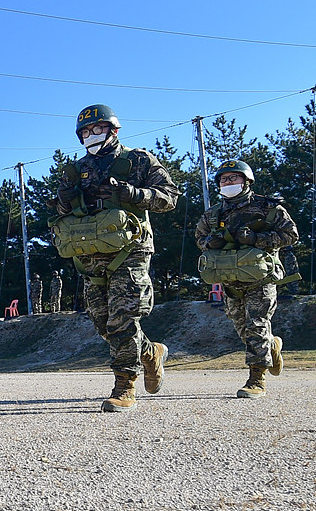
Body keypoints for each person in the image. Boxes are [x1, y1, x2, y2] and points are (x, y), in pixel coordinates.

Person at [54, 104, 178, 412]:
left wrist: (134, 194)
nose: (91, 136)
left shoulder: (138, 161)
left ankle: (125, 386)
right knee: (104, 324)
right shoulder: (76, 170)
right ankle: (150, 353)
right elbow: (58, 213)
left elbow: (169, 198)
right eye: (84, 132)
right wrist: (63, 202)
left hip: (131, 249)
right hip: (91, 253)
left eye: (97, 129)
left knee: (123, 318)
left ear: (113, 130)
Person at [195, 160, 298, 399]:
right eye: (224, 179)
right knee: (242, 328)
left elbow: (290, 234)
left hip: (260, 279)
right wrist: (210, 243)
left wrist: (257, 239)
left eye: (234, 178)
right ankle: (270, 346)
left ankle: (256, 378)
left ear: (247, 181)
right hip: (230, 280)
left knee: (256, 324)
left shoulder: (267, 207)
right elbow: (200, 237)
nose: (228, 183)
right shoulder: (213, 214)